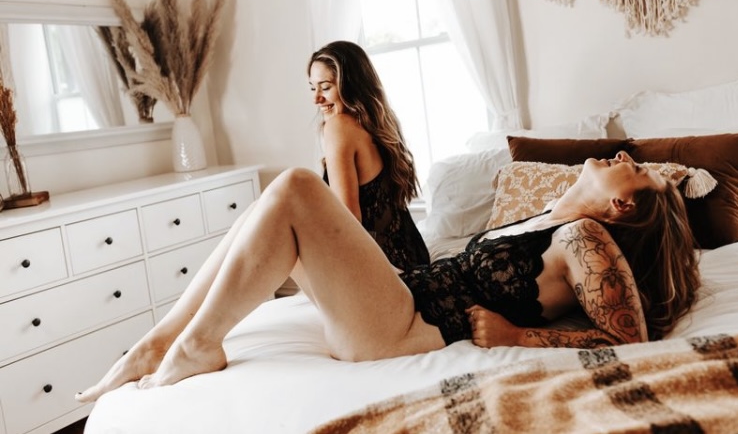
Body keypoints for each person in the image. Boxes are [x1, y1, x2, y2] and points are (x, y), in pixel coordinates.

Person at [76, 151, 700, 402]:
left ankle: (198, 343)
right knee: (268, 206)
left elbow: (632, 338)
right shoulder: (549, 218)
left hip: (403, 329)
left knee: (296, 187)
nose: (625, 156)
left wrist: (518, 338)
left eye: (638, 169)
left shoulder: (587, 238)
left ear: (623, 205)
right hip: (404, 294)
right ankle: (161, 341)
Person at [304, 40, 429, 274]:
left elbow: (349, 221)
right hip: (413, 256)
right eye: (313, 88)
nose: (316, 99)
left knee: (279, 213)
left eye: (325, 87)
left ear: (351, 86)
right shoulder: (378, 125)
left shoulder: (339, 126)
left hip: (386, 267)